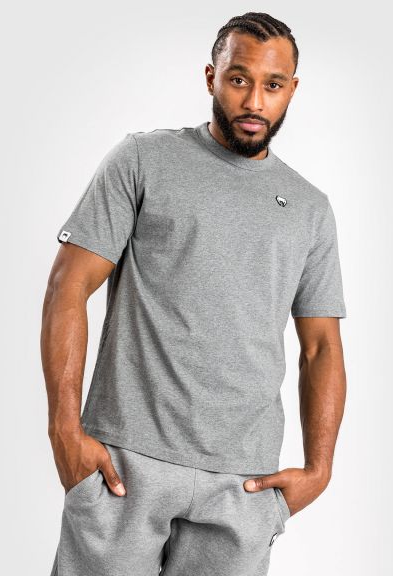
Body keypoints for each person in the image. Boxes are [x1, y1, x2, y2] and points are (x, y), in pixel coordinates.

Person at [41, 11, 347, 576]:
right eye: (239, 79)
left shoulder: (310, 208)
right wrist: (64, 428)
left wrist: (319, 469)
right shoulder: (143, 160)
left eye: (273, 85)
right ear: (211, 77)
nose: (254, 100)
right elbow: (68, 286)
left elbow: (321, 345)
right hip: (124, 463)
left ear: (292, 90)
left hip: (243, 484)